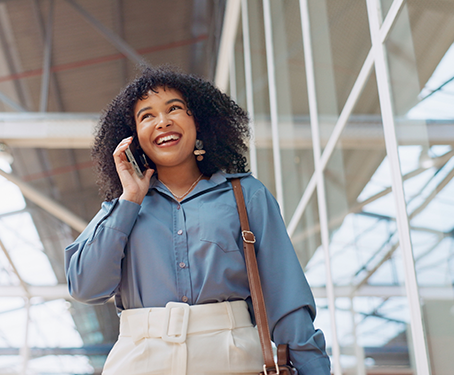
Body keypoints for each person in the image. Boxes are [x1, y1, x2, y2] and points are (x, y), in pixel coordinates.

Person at [65, 67, 330, 375]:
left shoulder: (247, 195)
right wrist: (129, 201)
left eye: (174, 108)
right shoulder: (122, 207)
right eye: (146, 116)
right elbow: (85, 287)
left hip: (233, 361)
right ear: (133, 138)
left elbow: (286, 297)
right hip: (140, 361)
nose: (163, 121)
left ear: (198, 121)